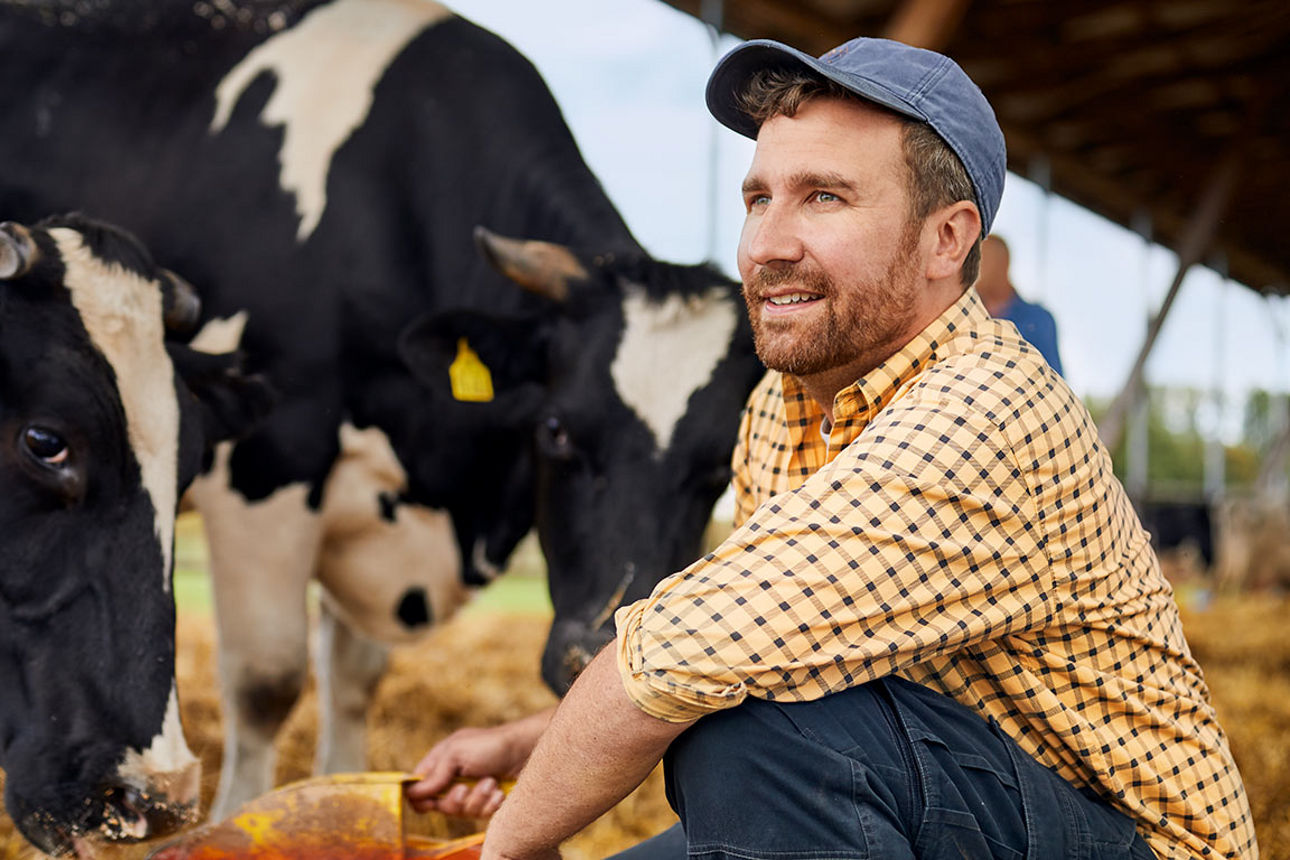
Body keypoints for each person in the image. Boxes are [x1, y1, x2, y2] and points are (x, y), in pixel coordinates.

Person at [407, 36, 1257, 860]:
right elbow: (755, 641)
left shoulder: (984, 410)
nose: (766, 246)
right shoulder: (781, 407)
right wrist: (535, 748)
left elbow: (687, 653)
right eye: (758, 198)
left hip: (1131, 840)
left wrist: (513, 840)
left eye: (825, 198)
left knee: (758, 729)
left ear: (947, 239)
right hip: (954, 801)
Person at [976, 233, 1065, 373]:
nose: (975, 270)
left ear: (1003, 264)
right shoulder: (966, 316)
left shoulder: (1038, 320)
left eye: (982, 261)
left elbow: (1053, 381)